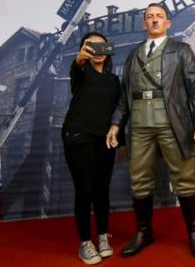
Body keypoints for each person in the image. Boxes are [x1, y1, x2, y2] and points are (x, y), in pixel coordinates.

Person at [106, 3, 195, 259]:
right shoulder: (133, 55)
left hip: (172, 121)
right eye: (149, 17)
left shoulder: (181, 50)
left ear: (168, 23)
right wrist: (116, 123)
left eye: (159, 17)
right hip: (140, 124)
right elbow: (124, 94)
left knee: (184, 178)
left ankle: (194, 233)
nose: (154, 20)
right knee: (139, 179)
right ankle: (144, 232)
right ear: (144, 24)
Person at [62, 32, 121, 265]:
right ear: (85, 50)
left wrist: (122, 141)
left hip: (105, 138)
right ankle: (85, 242)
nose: (97, 50)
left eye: (101, 45)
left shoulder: (113, 80)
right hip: (79, 136)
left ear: (108, 49)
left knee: (102, 189)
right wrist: (78, 60)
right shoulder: (81, 72)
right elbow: (75, 69)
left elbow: (118, 111)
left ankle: (103, 235)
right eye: (91, 46)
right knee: (85, 189)